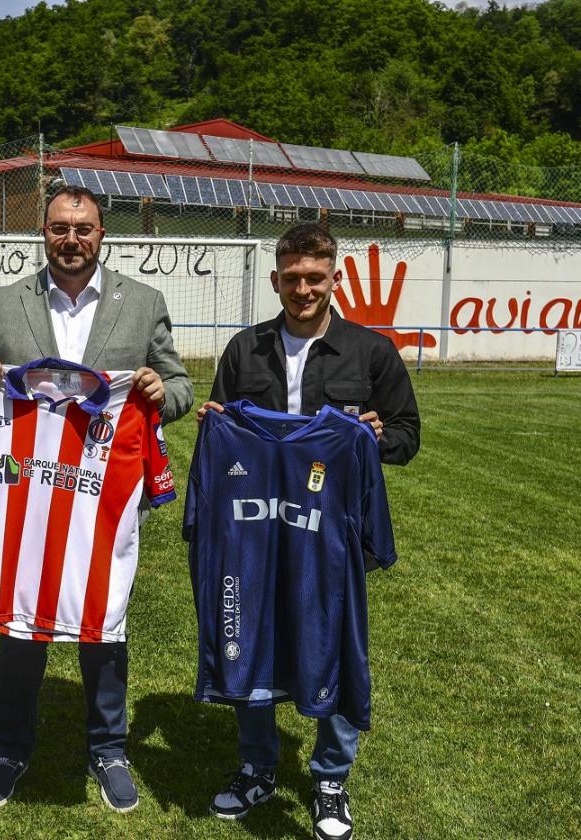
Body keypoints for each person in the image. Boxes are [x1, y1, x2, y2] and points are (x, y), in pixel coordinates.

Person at [0, 185, 193, 812]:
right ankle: (9, 747)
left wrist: (160, 392)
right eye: (60, 228)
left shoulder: (143, 303)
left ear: (101, 235)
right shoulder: (5, 303)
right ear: (44, 233)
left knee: (104, 623)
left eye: (83, 229)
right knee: (20, 622)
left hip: (102, 499)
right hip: (26, 498)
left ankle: (109, 748)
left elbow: (183, 387)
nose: (71, 239)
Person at [199, 222, 419, 840]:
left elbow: (408, 434)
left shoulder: (372, 353)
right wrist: (215, 426)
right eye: (292, 278)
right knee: (253, 633)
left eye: (314, 278)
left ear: (334, 278)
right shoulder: (245, 350)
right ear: (275, 279)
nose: (303, 288)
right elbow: (223, 426)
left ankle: (330, 776)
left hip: (328, 533)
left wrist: (377, 437)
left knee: (337, 643)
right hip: (258, 533)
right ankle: (258, 767)